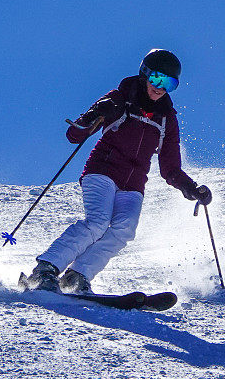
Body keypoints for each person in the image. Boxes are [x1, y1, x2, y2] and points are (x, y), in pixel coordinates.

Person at [24, 49, 212, 294]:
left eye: (169, 83)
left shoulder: (167, 118)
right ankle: (45, 269)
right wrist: (96, 114)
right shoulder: (120, 99)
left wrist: (192, 189)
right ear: (144, 74)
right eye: (156, 79)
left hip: (134, 183)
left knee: (125, 229)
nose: (160, 88)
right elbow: (75, 135)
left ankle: (77, 275)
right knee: (98, 222)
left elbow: (170, 168)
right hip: (102, 170)